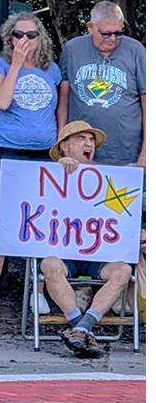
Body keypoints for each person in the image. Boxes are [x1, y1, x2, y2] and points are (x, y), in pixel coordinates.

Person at [0, 12, 61, 316]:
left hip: (43, 154)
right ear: (9, 39)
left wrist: (60, 146)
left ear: (41, 39)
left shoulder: (52, 70)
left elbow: (59, 110)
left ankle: (37, 290)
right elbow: (1, 101)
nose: (24, 41)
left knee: (42, 220)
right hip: (7, 151)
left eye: (30, 35)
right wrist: (15, 63)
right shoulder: (0, 65)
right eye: (18, 35)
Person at [40, 121, 135, 359]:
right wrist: (59, 168)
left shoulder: (108, 178)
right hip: (64, 254)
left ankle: (80, 329)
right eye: (82, 138)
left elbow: (124, 214)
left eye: (91, 140)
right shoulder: (46, 176)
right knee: (48, 265)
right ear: (65, 147)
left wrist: (139, 233)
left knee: (123, 270)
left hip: (99, 255)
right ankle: (81, 328)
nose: (89, 143)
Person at [57, 0, 146, 170]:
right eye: (106, 34)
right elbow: (63, 101)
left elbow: (147, 101)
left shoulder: (136, 50)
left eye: (119, 33)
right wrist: (62, 146)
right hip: (80, 156)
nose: (113, 39)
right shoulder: (73, 49)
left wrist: (147, 151)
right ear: (90, 27)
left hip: (127, 155)